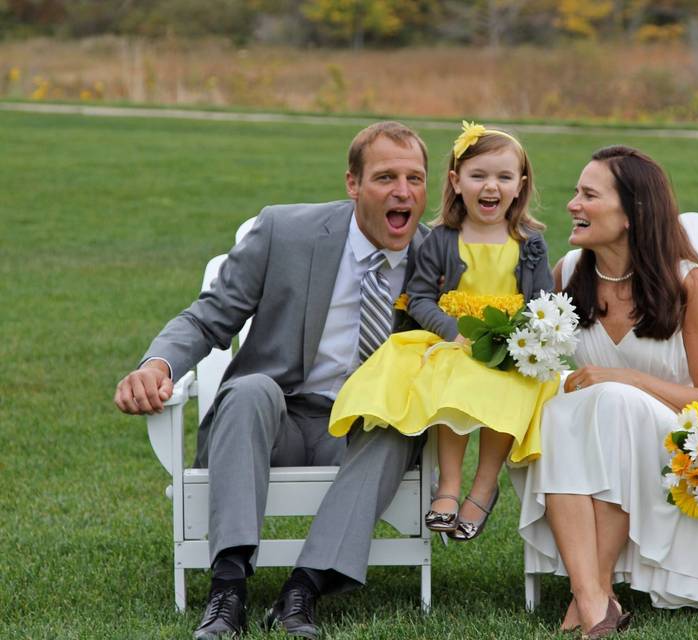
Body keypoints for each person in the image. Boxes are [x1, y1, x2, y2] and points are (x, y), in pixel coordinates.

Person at [114, 121, 432, 640]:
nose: (403, 192)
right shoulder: (285, 231)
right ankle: (228, 589)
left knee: (397, 421)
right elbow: (208, 317)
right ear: (352, 184)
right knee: (248, 389)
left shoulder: (439, 260)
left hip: (359, 431)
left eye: (415, 179)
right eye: (385, 177)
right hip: (277, 417)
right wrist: (157, 365)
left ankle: (301, 592)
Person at [513, 146, 698, 639]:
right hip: (594, 437)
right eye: (577, 192)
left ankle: (587, 592)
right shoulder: (568, 273)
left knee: (611, 400)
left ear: (632, 214)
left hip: (673, 433)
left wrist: (623, 378)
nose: (573, 204)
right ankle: (594, 599)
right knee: (559, 413)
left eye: (588, 195)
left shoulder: (686, 283)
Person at [329, 122, 556, 541]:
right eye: (478, 176)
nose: (491, 187)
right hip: (458, 343)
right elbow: (418, 298)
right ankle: (449, 485)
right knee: (452, 384)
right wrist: (451, 331)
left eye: (504, 177)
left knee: (512, 390)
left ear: (520, 185)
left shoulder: (529, 244)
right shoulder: (442, 240)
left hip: (512, 346)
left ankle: (484, 488)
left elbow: (543, 301)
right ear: (456, 181)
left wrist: (525, 337)